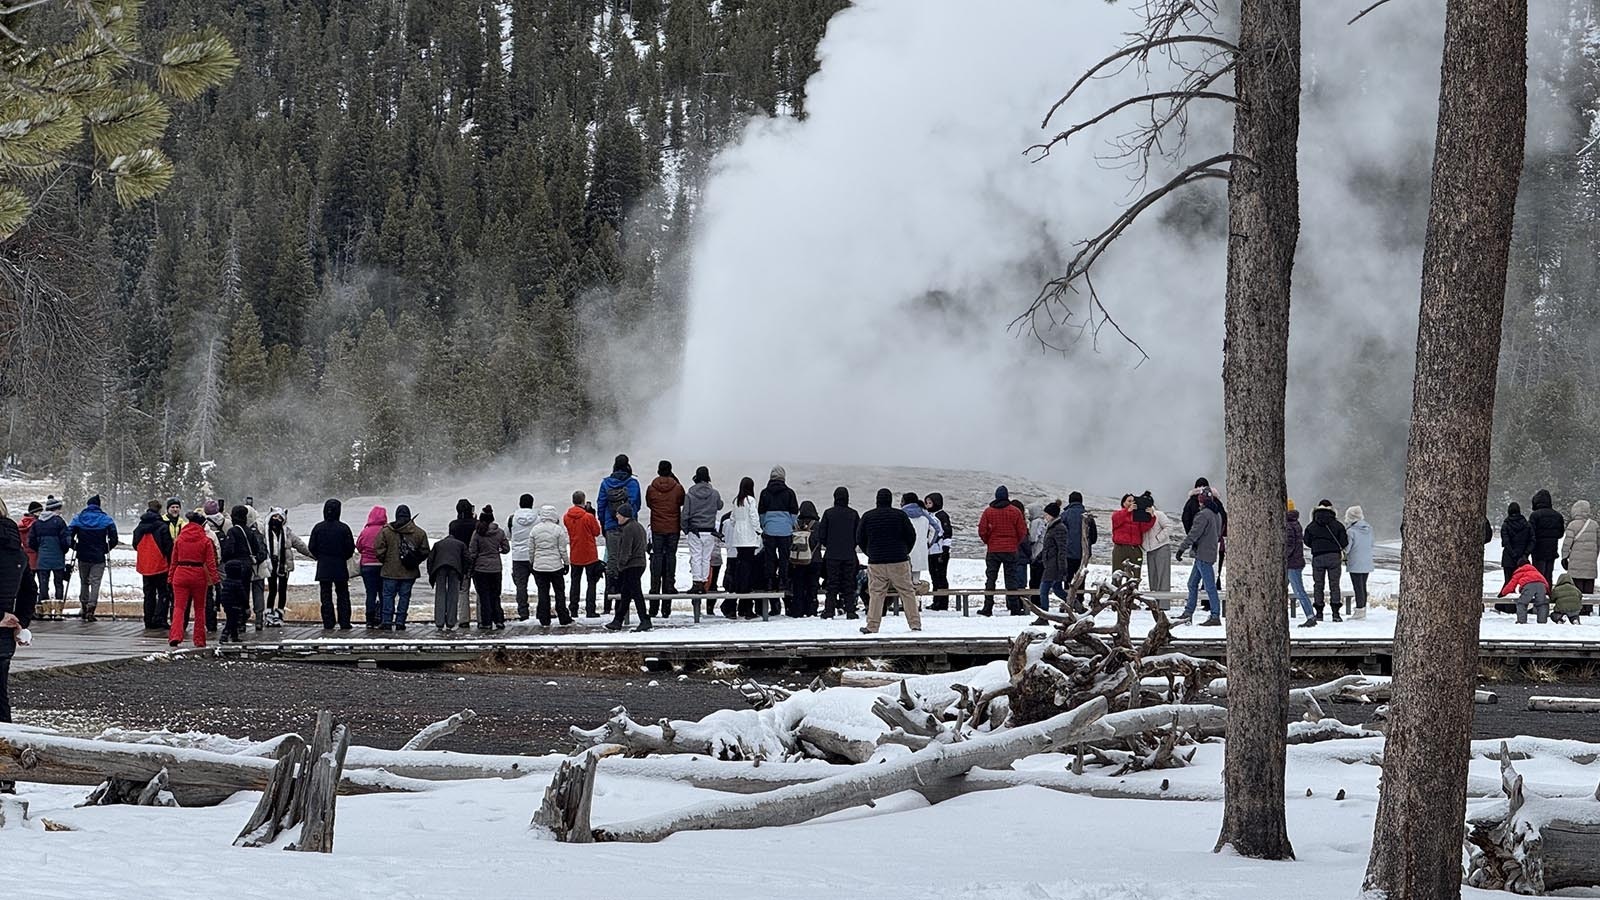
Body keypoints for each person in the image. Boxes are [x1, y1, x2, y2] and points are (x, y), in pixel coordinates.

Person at [856, 488, 921, 635]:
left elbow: (860, 538)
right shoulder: (900, 515)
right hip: (899, 560)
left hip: (876, 561)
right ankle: (915, 624)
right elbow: (911, 536)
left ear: (877, 500)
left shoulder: (868, 516)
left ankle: (872, 626)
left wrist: (870, 552)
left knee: (876, 594)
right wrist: (905, 551)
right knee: (907, 592)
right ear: (891, 500)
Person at [0, 499, 36, 729]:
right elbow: (30, 591)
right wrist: (19, 622)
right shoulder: (16, 549)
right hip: (4, 637)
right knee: (0, 696)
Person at [597, 454, 643, 610]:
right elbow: (636, 504)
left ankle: (611, 591)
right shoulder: (633, 483)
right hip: (629, 526)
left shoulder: (605, 483)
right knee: (628, 558)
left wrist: (604, 523)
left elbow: (601, 505)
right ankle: (622, 597)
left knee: (613, 558)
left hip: (611, 525)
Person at [373, 504, 429, 631]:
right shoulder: (419, 532)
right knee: (405, 596)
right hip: (409, 572)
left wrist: (385, 561)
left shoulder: (386, 531)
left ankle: (387, 621)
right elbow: (425, 551)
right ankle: (400, 622)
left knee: (388, 596)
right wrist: (414, 561)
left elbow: (378, 549)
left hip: (389, 571)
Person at [167, 510, 217, 648]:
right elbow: (211, 563)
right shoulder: (206, 540)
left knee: (179, 607)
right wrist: (215, 580)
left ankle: (175, 635)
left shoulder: (179, 539)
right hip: (198, 574)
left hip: (180, 573)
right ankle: (199, 639)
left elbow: (173, 561)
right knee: (200, 608)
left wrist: (170, 579)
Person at [977, 486, 1028, 616]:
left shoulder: (988, 512)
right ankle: (1014, 607)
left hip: (993, 549)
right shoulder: (1015, 511)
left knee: (991, 579)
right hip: (1011, 550)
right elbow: (1022, 531)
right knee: (1011, 579)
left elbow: (982, 530)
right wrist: (1014, 542)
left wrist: (989, 541)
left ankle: (988, 606)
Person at [1174, 489, 1223, 626]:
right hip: (1209, 553)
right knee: (1193, 583)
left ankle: (1215, 615)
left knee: (1209, 586)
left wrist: (1182, 549)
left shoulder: (1203, 515)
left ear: (1201, 500)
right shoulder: (1217, 514)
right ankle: (1188, 612)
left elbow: (1193, 534)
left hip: (1203, 554)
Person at [67, 494, 119, 622]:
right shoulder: (106, 519)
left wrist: (75, 547)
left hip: (83, 555)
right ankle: (91, 608)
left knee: (84, 581)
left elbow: (68, 535)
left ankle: (84, 606)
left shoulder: (79, 518)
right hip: (98, 556)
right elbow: (114, 538)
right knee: (95, 583)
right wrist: (106, 548)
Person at [308, 499, 356, 630]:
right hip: (340, 566)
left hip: (324, 566)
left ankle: (328, 623)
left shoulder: (318, 528)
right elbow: (350, 548)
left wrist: (321, 557)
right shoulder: (344, 528)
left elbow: (311, 546)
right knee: (343, 595)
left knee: (326, 596)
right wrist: (342, 557)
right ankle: (344, 622)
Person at [813, 487, 860, 619]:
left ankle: (829, 610)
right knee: (849, 583)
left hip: (832, 555)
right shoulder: (854, 514)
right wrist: (851, 545)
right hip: (849, 554)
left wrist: (830, 545)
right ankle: (850, 610)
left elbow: (822, 535)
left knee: (831, 584)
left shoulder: (828, 513)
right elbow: (859, 535)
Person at [758, 465, 799, 614]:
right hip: (785, 531)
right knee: (784, 558)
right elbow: (794, 512)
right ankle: (783, 582)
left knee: (769, 558)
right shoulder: (789, 493)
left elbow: (761, 513)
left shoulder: (764, 493)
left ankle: (769, 582)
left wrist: (764, 526)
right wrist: (790, 525)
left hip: (769, 529)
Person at [604, 504, 650, 633]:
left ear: (624, 515)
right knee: (626, 593)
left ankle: (645, 620)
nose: (617, 516)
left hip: (632, 565)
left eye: (619, 514)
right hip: (639, 563)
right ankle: (618, 620)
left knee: (636, 593)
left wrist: (620, 566)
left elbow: (626, 550)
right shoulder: (639, 527)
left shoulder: (629, 529)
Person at [645, 460, 686, 604]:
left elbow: (649, 504)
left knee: (657, 556)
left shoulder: (651, 488)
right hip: (673, 527)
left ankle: (655, 587)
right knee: (670, 556)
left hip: (657, 527)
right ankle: (669, 585)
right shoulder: (678, 487)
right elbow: (682, 501)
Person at [722, 477, 764, 619]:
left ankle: (739, 604)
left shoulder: (736, 500)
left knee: (740, 569)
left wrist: (738, 528)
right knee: (748, 570)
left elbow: (732, 520)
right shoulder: (750, 500)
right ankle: (746, 607)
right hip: (749, 539)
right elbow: (754, 517)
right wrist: (759, 531)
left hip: (738, 539)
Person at [1182, 478, 1228, 601]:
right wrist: (1219, 535)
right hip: (1216, 543)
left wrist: (1192, 538)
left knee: (1196, 580)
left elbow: (1186, 519)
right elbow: (1224, 519)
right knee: (1213, 574)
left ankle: (1211, 610)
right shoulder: (1216, 502)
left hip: (1200, 545)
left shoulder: (1192, 502)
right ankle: (1209, 605)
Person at [264, 508, 310, 628]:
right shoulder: (264, 532)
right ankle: (269, 613)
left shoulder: (287, 532)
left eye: (280, 518)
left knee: (283, 589)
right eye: (274, 517)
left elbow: (300, 545)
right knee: (272, 589)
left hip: (283, 565)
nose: (277, 520)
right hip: (270, 564)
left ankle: (279, 613)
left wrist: (313, 554)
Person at [1304, 499, 1349, 622]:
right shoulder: (1338, 525)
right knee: (1334, 584)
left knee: (1318, 584)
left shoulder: (1311, 526)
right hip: (1334, 557)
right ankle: (1335, 613)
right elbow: (1344, 542)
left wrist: (1316, 545)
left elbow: (1306, 541)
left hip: (1317, 557)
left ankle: (1319, 612)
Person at [681, 466, 723, 596]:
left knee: (696, 557)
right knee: (706, 558)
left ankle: (696, 582)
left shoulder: (690, 494)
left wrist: (686, 529)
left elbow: (685, 515)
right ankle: (704, 583)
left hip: (695, 531)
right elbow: (720, 506)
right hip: (709, 531)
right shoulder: (714, 493)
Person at [132, 500, 174, 630]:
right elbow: (168, 547)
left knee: (148, 594)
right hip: (160, 564)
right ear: (160, 510)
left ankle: (148, 620)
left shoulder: (139, 527)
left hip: (145, 565)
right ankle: (160, 619)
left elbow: (135, 545)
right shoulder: (162, 526)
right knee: (163, 593)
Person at [467, 506, 510, 630]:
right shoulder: (500, 532)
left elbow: (472, 552)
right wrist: (498, 551)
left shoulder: (478, 532)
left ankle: (486, 622)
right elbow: (506, 549)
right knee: (495, 595)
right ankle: (499, 620)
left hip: (480, 569)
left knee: (484, 595)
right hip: (496, 568)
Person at [529, 505, 571, 627]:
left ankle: (544, 618)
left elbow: (531, 549)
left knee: (543, 592)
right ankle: (563, 616)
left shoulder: (535, 530)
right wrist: (566, 563)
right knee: (559, 592)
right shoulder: (558, 530)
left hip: (539, 567)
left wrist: (532, 562)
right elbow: (562, 549)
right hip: (555, 566)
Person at [218, 505, 255, 643]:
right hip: (248, 566)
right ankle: (241, 623)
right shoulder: (249, 531)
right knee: (244, 593)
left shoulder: (233, 531)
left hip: (235, 567)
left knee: (233, 597)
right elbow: (256, 548)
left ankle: (232, 626)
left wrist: (226, 560)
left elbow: (229, 549)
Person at [27, 496, 69, 619]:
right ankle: (58, 612)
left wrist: (40, 550)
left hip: (43, 559)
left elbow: (31, 542)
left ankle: (45, 611)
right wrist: (63, 551)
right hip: (57, 558)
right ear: (55, 509)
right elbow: (66, 541)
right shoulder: (59, 522)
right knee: (58, 584)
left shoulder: (38, 523)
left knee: (43, 584)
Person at [563, 492, 604, 618]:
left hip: (575, 553)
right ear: (583, 501)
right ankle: (590, 610)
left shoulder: (566, 517)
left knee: (575, 583)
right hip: (590, 554)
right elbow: (597, 532)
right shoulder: (588, 517)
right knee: (591, 583)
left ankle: (573, 609)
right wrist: (592, 515)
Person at [1036, 501, 1072, 623]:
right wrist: (1039, 557)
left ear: (1052, 515)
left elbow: (1062, 549)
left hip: (1054, 564)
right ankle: (1076, 606)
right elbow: (1048, 547)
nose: (1045, 517)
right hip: (1050, 562)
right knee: (1057, 589)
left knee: (1044, 590)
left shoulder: (1059, 528)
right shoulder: (1052, 527)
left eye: (1046, 514)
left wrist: (1062, 567)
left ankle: (1044, 616)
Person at [1061, 492, 1098, 607]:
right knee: (1081, 577)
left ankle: (1069, 601)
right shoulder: (1088, 516)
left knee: (1068, 578)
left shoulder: (1065, 515)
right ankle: (1080, 601)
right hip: (1083, 553)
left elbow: (1061, 534)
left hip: (1068, 552)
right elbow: (1094, 536)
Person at [427, 528, 468, 630]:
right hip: (455, 569)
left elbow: (430, 560)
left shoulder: (438, 544)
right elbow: (467, 559)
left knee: (440, 594)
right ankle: (451, 622)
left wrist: (431, 574)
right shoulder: (461, 544)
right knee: (453, 595)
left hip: (439, 569)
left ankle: (439, 622)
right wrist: (464, 573)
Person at [507, 494, 539, 622]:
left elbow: (507, 534)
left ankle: (523, 612)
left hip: (518, 557)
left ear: (519, 504)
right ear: (532, 504)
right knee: (541, 585)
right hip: (534, 555)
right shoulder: (538, 518)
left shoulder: (512, 518)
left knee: (521, 586)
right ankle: (541, 610)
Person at [1111, 493, 1155, 584]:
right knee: (1117, 573)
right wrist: (1127, 511)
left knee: (1135, 575)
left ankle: (1132, 596)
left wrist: (1151, 517)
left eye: (1133, 501)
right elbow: (1115, 521)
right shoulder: (1118, 513)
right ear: (1123, 503)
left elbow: (1144, 528)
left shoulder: (1138, 515)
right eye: (1129, 501)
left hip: (1135, 548)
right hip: (1120, 548)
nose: (1131, 503)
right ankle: (1116, 596)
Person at [356, 505, 388, 628]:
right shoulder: (386, 531)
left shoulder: (365, 531)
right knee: (383, 593)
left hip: (367, 566)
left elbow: (358, 546)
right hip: (382, 565)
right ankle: (383, 618)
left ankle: (369, 620)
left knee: (370, 593)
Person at [788, 500, 821, 617]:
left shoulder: (795, 524)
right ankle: (811, 609)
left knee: (798, 586)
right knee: (812, 586)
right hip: (814, 559)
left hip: (797, 560)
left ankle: (797, 610)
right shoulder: (817, 525)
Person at [1285, 500, 1315, 627]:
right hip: (1297, 561)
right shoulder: (1296, 523)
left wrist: (1282, 556)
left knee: (1299, 591)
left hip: (1292, 563)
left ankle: (1310, 616)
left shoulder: (1288, 525)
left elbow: (1289, 545)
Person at [1560, 500, 1599, 593]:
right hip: (1590, 563)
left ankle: (1579, 607)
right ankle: (1588, 607)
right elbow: (1598, 544)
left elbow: (1567, 544)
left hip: (1575, 564)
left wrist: (1564, 557)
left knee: (1577, 589)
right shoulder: (1594, 525)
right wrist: (1594, 556)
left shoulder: (1573, 525)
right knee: (1589, 588)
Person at [449, 499, 477, 626]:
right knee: (480, 590)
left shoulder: (453, 525)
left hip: (461, 561)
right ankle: (483, 619)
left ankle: (464, 619)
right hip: (476, 559)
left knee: (463, 591)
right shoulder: (476, 524)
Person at [1528, 489, 1564, 585]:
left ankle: (1539, 594)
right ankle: (1548, 592)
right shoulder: (1558, 516)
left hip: (1538, 550)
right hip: (1552, 549)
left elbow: (1530, 533)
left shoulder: (1535, 515)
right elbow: (1560, 534)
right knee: (1549, 574)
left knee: (1538, 575)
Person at [1344, 506, 1374, 619]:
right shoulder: (1369, 528)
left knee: (1357, 587)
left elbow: (1347, 548)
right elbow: (1372, 543)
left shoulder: (1351, 531)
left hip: (1356, 562)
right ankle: (1363, 609)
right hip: (1367, 561)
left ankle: (1359, 611)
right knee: (1363, 586)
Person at [1141, 492, 1173, 592]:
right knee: (1153, 576)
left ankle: (1163, 604)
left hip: (1161, 547)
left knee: (1163, 576)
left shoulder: (1159, 514)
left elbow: (1169, 527)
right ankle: (1153, 602)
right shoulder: (1141, 516)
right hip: (1150, 549)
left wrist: (1158, 538)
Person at [926, 493, 953, 608]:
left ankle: (943, 602)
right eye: (926, 503)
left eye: (930, 503)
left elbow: (948, 533)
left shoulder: (942, 516)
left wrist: (945, 549)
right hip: (930, 550)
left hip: (940, 550)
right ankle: (936, 600)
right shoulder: (928, 515)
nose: (927, 505)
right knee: (934, 576)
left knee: (941, 576)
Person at [1498, 501, 1533, 588]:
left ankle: (1503, 599)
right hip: (1522, 558)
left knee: (1508, 582)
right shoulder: (1527, 525)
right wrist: (1525, 554)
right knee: (1522, 583)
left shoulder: (1506, 525)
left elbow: (1506, 542)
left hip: (1508, 558)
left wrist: (1513, 554)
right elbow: (1532, 540)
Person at [1026, 504, 1047, 591]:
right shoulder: (1043, 522)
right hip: (1043, 552)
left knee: (1034, 578)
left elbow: (1033, 538)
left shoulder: (1036, 522)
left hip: (1036, 553)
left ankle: (1035, 600)